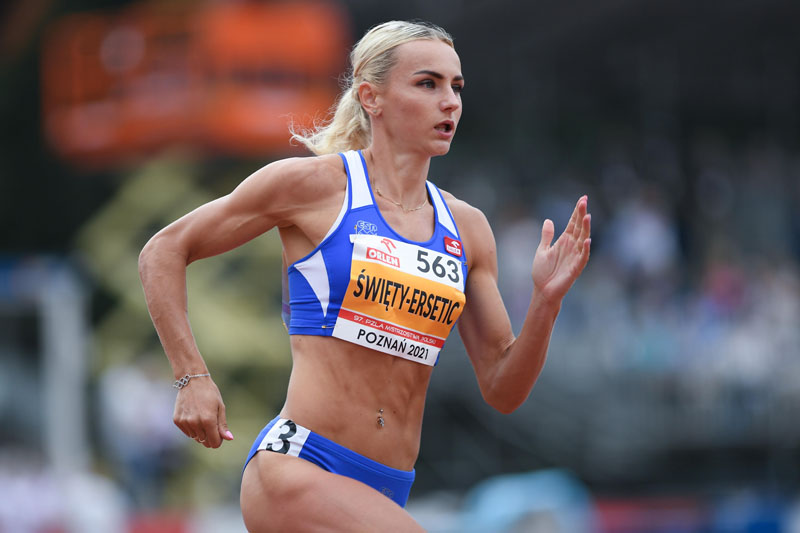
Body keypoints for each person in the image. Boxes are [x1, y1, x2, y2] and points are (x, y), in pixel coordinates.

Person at [138, 20, 591, 532]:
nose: (449, 102)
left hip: (387, 487)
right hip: (300, 466)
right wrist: (191, 377)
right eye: (428, 83)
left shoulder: (467, 228)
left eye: (456, 86)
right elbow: (162, 251)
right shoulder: (314, 187)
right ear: (371, 97)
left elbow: (503, 391)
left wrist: (546, 302)